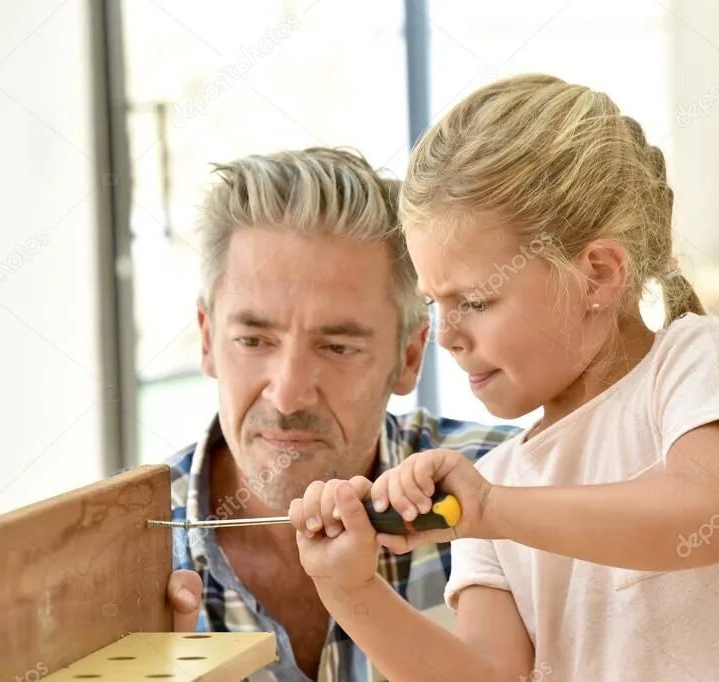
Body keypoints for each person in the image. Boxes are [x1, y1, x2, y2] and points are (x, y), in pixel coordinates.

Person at [288, 74, 719, 680]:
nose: (446, 335)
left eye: (474, 302)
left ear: (598, 276)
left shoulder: (696, 363)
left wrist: (491, 510)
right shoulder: (497, 484)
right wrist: (351, 594)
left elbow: (701, 520)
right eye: (433, 303)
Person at [163, 147, 515, 681]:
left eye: (337, 347)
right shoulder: (118, 544)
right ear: (208, 339)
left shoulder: (507, 487)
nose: (287, 396)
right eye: (254, 339)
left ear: (409, 356)